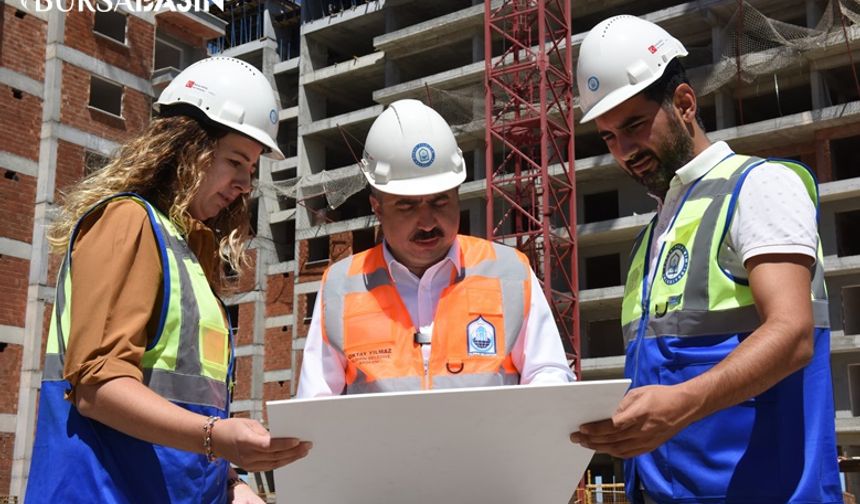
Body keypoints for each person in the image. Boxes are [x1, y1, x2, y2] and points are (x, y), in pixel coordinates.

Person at [570, 15, 841, 503]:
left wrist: (679, 406)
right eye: (609, 137)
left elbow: (794, 333)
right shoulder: (651, 238)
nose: (625, 151)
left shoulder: (758, 186)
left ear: (684, 103)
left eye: (634, 124)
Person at [25, 57, 311, 504]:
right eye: (235, 161)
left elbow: (183, 415)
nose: (243, 184)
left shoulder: (186, 251)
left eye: (251, 169)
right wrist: (218, 438)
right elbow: (98, 388)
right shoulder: (127, 221)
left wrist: (229, 484)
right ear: (184, 146)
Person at [297, 99, 574, 397]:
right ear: (377, 207)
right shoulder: (340, 286)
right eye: (407, 205)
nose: (427, 221)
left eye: (441, 201)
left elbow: (549, 374)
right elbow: (316, 404)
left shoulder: (510, 273)